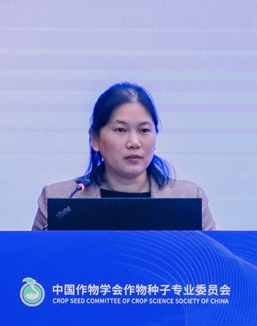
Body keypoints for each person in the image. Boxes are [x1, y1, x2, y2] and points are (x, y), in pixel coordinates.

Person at [31, 82, 216, 231]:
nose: (134, 142)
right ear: (95, 138)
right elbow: (34, 263)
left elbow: (216, 264)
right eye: (120, 130)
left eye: (144, 130)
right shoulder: (60, 200)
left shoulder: (190, 198)